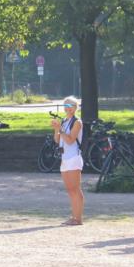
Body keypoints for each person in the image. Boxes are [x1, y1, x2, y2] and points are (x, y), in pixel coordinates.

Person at [51, 96, 84, 225]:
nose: (67, 109)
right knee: (70, 189)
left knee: (75, 189)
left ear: (75, 108)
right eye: (65, 106)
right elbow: (57, 140)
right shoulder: (64, 121)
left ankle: (78, 218)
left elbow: (70, 140)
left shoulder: (77, 122)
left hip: (73, 157)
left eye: (70, 106)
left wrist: (60, 129)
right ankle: (73, 216)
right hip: (64, 158)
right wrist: (56, 129)